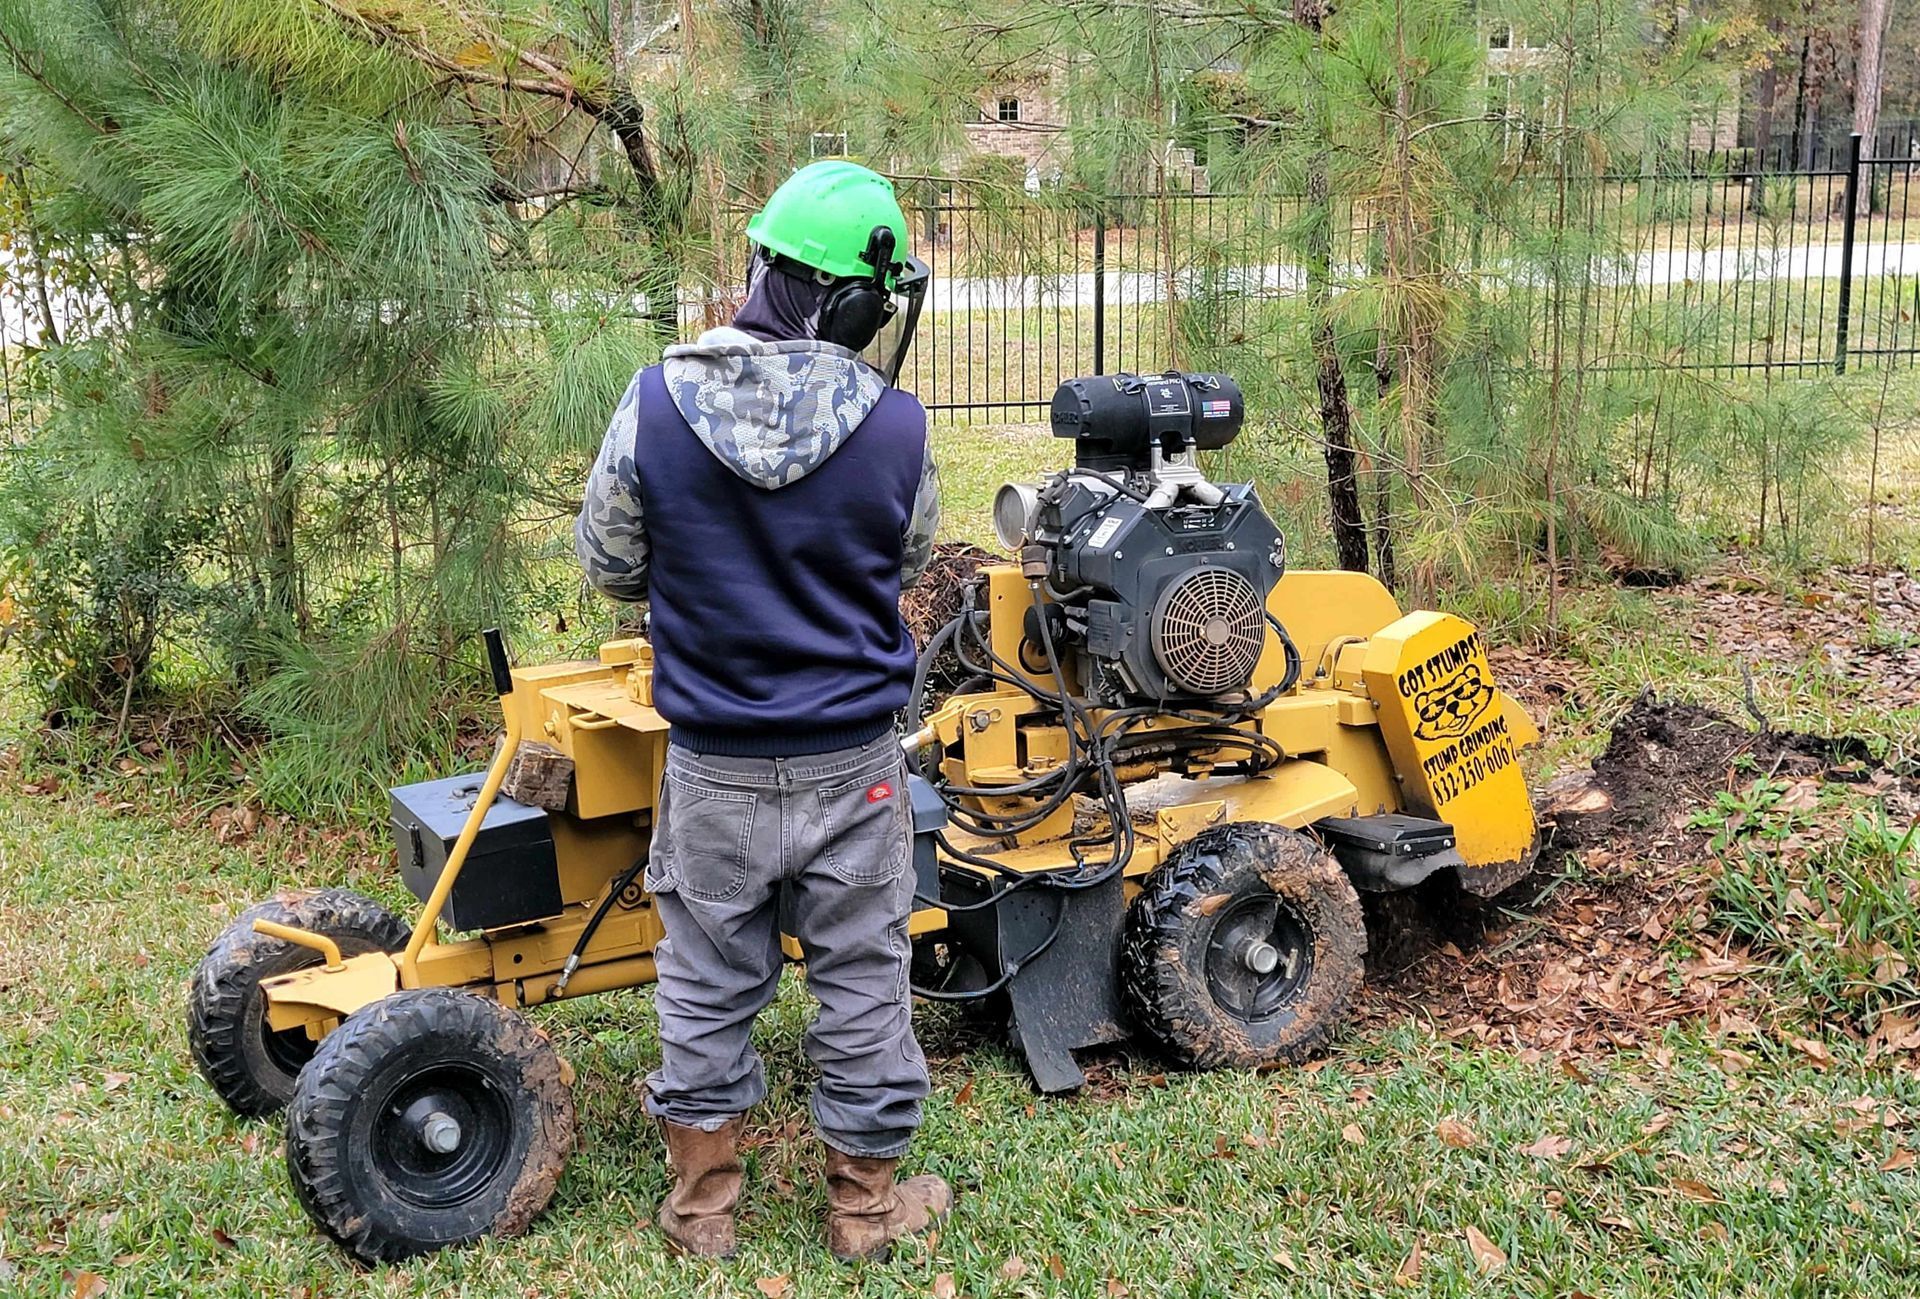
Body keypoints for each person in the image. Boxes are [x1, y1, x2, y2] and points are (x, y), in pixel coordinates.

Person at [574, 160, 947, 1262]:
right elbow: (906, 552)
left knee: (703, 985)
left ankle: (703, 1217)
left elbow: (608, 563)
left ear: (759, 265)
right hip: (854, 766)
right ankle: (865, 1216)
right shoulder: (900, 428)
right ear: (857, 304)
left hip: (714, 767)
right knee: (865, 989)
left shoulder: (653, 404)